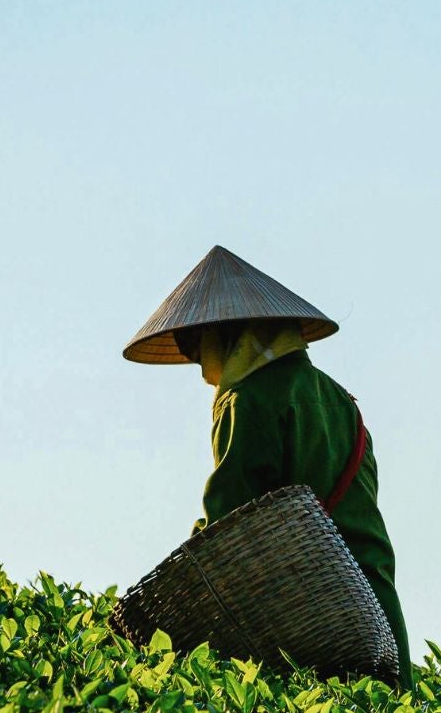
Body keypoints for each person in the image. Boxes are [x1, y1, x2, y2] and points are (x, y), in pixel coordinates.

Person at [122, 245, 410, 684]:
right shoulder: (340, 399)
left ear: (226, 335)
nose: (198, 362)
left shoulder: (246, 401)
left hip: (313, 614)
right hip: (376, 602)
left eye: (198, 344)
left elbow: (228, 522)